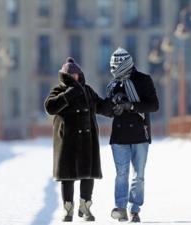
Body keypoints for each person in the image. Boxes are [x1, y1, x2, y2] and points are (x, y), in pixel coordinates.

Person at [44, 57, 112, 222]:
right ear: (65, 75)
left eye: (76, 74)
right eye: (71, 74)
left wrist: (113, 107)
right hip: (67, 141)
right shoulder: (59, 90)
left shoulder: (87, 90)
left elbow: (100, 106)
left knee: (87, 175)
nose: (74, 77)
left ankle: (85, 206)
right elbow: (49, 107)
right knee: (67, 177)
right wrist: (69, 94)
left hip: (87, 140)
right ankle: (68, 209)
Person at [107, 47, 159, 223]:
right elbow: (108, 109)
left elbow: (153, 105)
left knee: (138, 176)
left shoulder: (144, 80)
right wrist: (114, 107)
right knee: (121, 173)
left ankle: (135, 209)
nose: (114, 70)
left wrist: (131, 106)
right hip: (119, 136)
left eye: (117, 66)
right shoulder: (113, 85)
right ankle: (120, 208)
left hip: (139, 134)